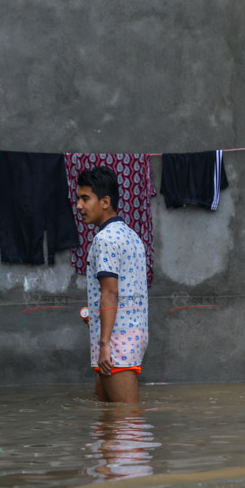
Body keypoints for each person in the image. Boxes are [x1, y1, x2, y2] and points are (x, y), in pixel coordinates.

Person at [75, 166, 149, 403]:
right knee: (106, 423)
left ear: (105, 202)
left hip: (115, 345)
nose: (79, 206)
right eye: (78, 199)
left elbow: (110, 293)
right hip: (130, 335)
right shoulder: (131, 235)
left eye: (85, 199)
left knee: (127, 425)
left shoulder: (104, 239)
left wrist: (105, 344)